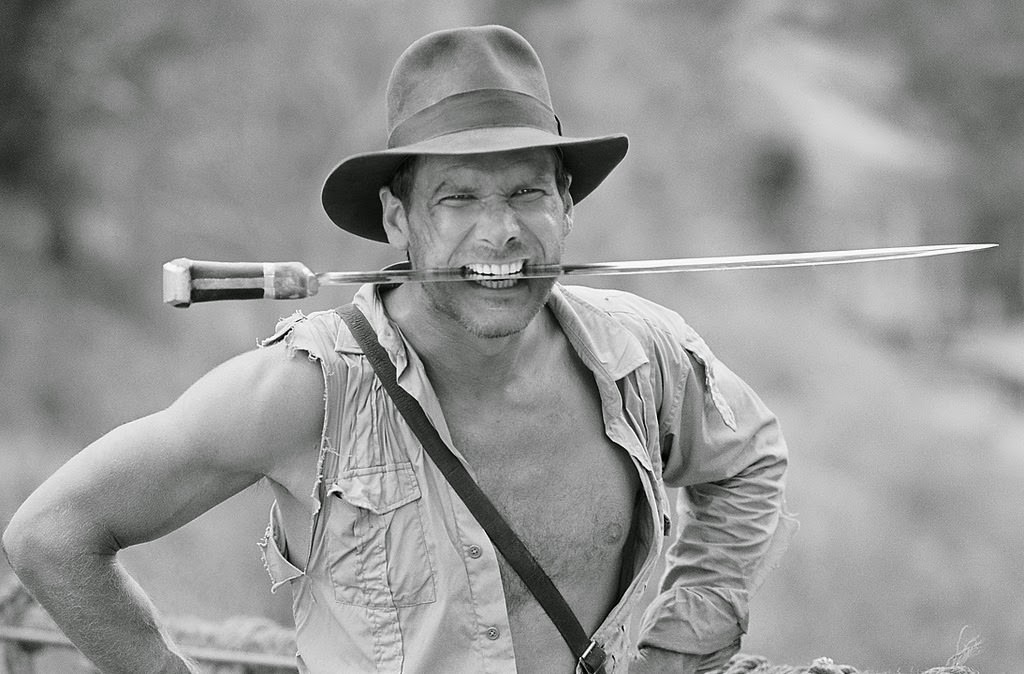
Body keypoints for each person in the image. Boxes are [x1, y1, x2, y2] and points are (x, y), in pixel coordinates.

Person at [2, 25, 795, 674]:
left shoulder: (642, 356)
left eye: (527, 191)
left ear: (567, 206)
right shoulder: (304, 390)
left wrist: (677, 648)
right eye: (458, 198)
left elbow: (749, 459)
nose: (501, 233)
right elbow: (52, 536)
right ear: (395, 221)